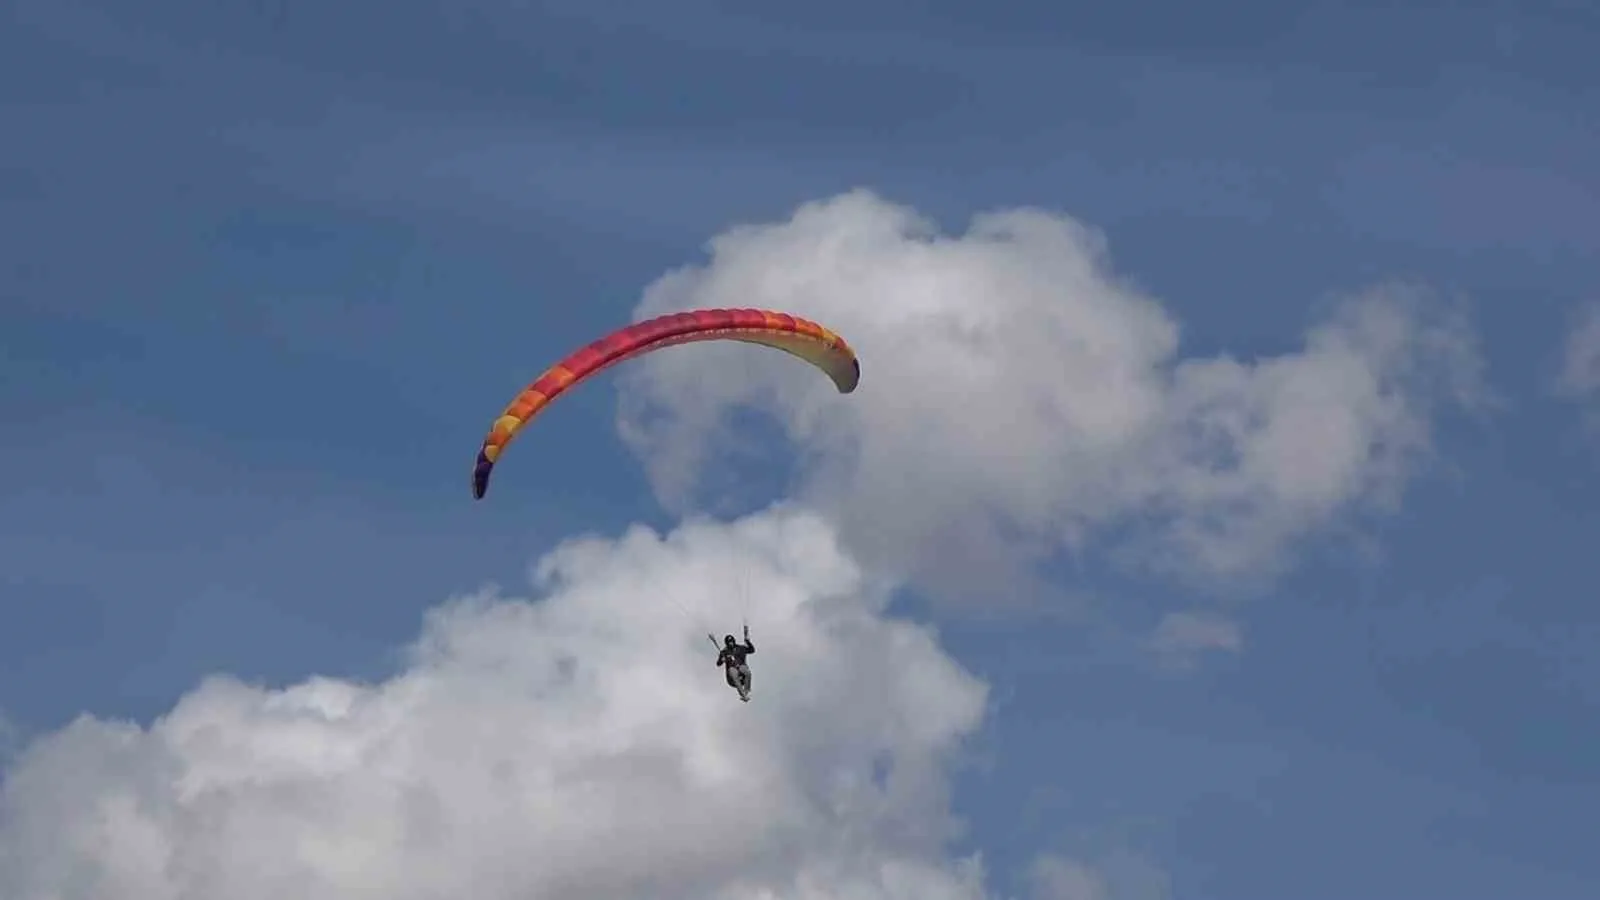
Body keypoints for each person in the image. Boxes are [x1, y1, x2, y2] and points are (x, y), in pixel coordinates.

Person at [712, 625, 755, 702]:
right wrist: (722, 660)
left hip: (741, 667)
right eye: (729, 643)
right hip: (732, 671)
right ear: (727, 644)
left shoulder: (741, 648)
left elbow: (752, 650)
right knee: (734, 674)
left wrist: (748, 642)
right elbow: (718, 664)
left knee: (747, 673)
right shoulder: (724, 652)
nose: (731, 644)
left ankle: (747, 691)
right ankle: (743, 695)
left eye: (732, 642)